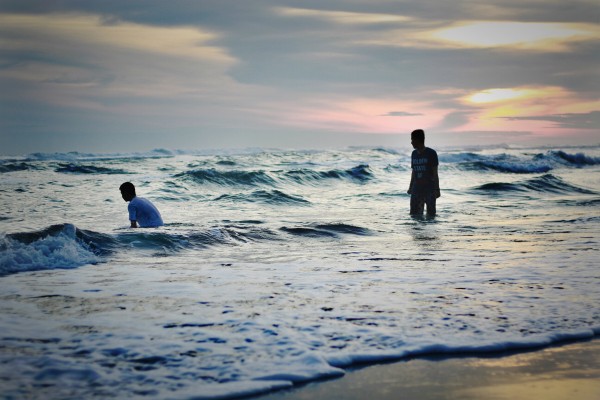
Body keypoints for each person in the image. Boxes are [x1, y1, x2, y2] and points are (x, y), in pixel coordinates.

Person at [407, 129, 440, 216]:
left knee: (431, 216)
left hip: (429, 189)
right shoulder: (413, 154)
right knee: (414, 215)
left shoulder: (431, 153)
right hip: (416, 189)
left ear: (418, 140)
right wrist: (410, 187)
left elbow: (435, 173)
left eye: (412, 139)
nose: (411, 142)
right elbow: (414, 172)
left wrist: (437, 189)